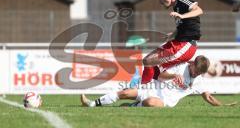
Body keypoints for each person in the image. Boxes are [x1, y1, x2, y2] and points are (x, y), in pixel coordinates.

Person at [81, 55, 237, 108]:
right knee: (125, 92)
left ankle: (133, 107)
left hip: (163, 101)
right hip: (151, 89)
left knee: (150, 103)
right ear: (192, 64)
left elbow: (208, 97)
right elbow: (159, 76)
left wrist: (222, 106)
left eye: (198, 73)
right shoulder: (181, 66)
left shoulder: (199, 81)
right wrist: (172, 77)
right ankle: (92, 104)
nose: (195, 74)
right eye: (195, 70)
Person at [141, 0, 203, 84]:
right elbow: (183, 26)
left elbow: (199, 10)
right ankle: (146, 93)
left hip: (186, 45)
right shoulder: (176, 7)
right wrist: (173, 34)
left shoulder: (182, 1)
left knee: (149, 61)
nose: (160, 1)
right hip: (178, 42)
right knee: (148, 62)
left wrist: (181, 16)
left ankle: (143, 92)